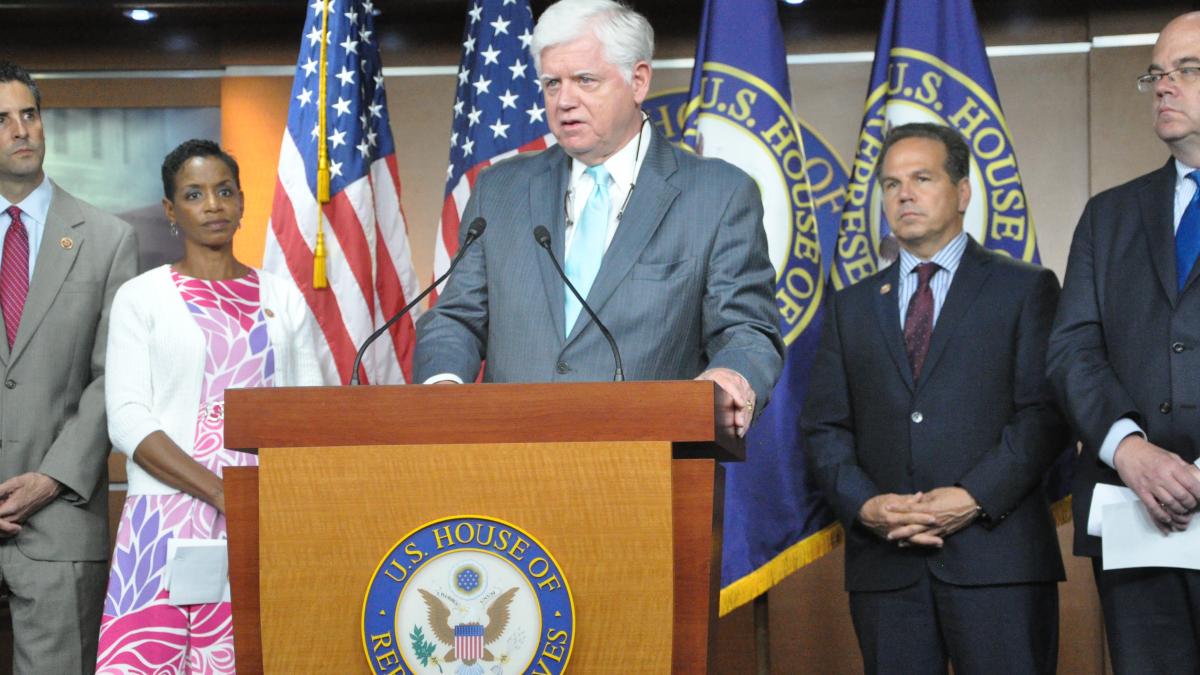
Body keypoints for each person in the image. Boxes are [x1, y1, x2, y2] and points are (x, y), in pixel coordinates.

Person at [413, 0, 783, 432]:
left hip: (648, 458)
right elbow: (456, 317)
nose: (565, 100)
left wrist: (731, 377)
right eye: (552, 83)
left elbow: (746, 329)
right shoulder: (500, 190)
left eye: (585, 80)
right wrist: (443, 386)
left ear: (638, 80)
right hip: (506, 457)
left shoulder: (718, 195)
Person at [802, 123, 1069, 674]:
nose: (904, 194)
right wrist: (867, 506)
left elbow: (1045, 416)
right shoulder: (850, 307)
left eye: (922, 178)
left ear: (963, 192)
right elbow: (825, 427)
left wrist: (972, 497)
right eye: (891, 183)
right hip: (886, 565)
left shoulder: (1025, 288)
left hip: (998, 562)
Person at [95, 140, 323, 673]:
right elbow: (128, 419)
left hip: (265, 517)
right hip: (168, 518)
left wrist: (255, 504)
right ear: (172, 212)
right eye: (194, 195)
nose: (214, 205)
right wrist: (223, 494)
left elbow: (306, 413)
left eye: (224, 191)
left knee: (253, 656)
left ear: (243, 202)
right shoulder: (142, 297)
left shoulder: (282, 297)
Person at [1046, 12, 1200, 673]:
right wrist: (1128, 448)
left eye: (1186, 69)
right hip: (1137, 519)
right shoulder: (1108, 215)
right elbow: (1071, 348)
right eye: (1156, 73)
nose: (1164, 86)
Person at [0, 61, 138, 674]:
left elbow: (114, 378)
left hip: (58, 522)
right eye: (1, 120)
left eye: (28, 115)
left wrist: (49, 479)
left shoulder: (107, 239)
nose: (20, 130)